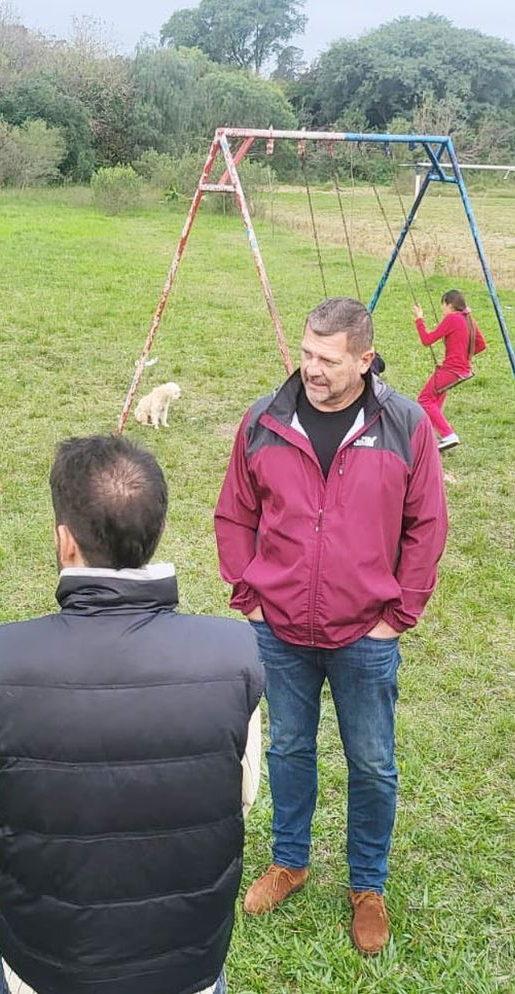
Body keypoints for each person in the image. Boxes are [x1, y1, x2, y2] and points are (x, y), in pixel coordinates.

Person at [0, 434, 264, 994]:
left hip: (46, 964)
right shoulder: (236, 654)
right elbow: (242, 792)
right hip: (185, 962)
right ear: (155, 531)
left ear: (65, 541)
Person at [214, 296, 448, 956]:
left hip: (364, 635)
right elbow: (234, 513)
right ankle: (290, 861)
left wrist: (397, 615)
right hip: (279, 630)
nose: (312, 370)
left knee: (372, 765)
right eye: (307, 354)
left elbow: (427, 525)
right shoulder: (264, 419)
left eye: (328, 359)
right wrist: (249, 597)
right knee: (289, 748)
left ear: (365, 360)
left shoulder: (404, 424)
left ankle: (367, 887)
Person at [412, 289, 484, 452]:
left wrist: (419, 319)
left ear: (449, 304)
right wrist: (462, 354)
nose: (442, 310)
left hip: (451, 369)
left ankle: (449, 435)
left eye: (443, 306)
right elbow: (481, 345)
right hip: (463, 370)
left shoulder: (452, 318)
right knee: (434, 402)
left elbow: (427, 340)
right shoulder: (469, 320)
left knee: (424, 399)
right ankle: (427, 439)